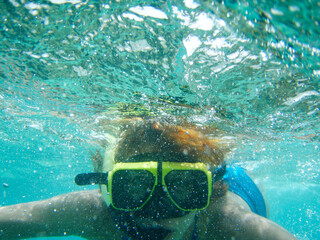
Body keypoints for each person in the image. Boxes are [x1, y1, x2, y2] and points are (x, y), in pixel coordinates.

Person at [0, 118, 297, 240]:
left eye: (183, 189)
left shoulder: (227, 224)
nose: (157, 210)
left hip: (240, 184)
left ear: (207, 191)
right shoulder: (97, 214)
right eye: (134, 187)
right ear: (109, 189)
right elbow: (23, 219)